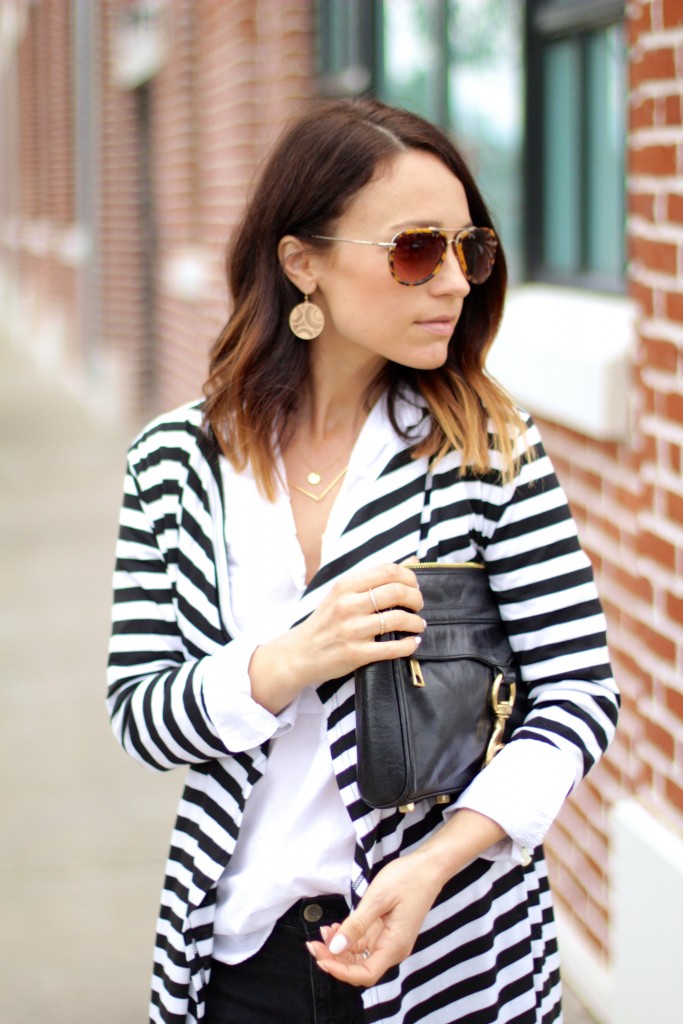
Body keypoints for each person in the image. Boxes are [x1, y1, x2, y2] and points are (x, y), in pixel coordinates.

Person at [107, 97, 619, 1024]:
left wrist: (433, 863)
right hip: (236, 957)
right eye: (417, 249)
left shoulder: (485, 445)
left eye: (471, 249)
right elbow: (141, 715)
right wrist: (289, 660)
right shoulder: (174, 465)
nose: (454, 283)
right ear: (302, 262)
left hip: (455, 954)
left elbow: (578, 694)